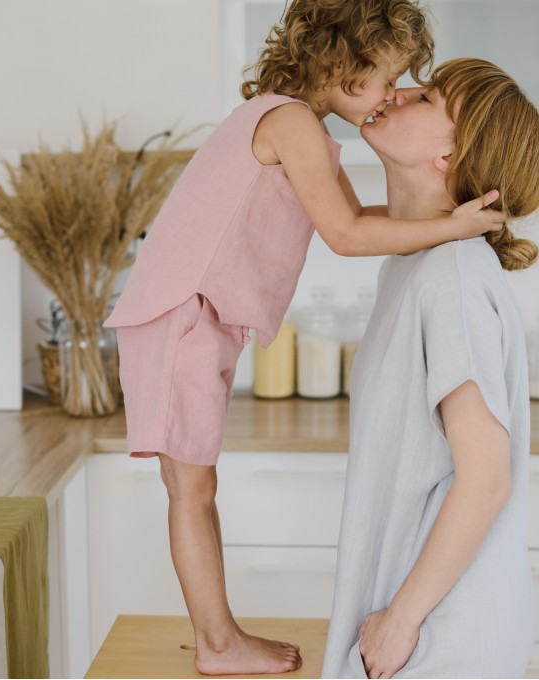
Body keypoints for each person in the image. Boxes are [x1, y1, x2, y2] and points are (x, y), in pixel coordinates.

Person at [103, 0, 504, 674]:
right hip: (182, 316)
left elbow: (350, 215)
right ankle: (217, 643)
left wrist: (445, 220)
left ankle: (218, 637)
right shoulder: (288, 122)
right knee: (192, 489)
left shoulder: (293, 122)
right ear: (341, 65)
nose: (388, 97)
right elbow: (347, 237)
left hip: (192, 316)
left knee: (192, 486)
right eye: (386, 78)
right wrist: (450, 228)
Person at [322, 57, 539, 679]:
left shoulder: (451, 273)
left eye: (428, 98)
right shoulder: (415, 260)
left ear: (451, 156)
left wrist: (401, 620)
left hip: (443, 635)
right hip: (424, 623)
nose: (401, 90)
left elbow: (485, 478)